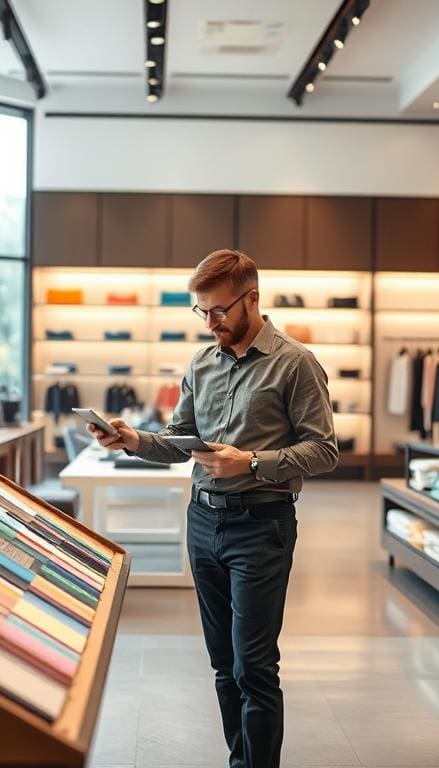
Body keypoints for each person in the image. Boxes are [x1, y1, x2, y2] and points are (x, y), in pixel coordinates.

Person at [89, 249, 337, 768]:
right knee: (223, 666)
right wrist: (133, 439)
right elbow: (180, 440)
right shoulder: (202, 363)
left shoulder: (295, 363)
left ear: (252, 298)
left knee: (254, 668)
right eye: (201, 311)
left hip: (261, 526)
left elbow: (325, 450)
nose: (210, 322)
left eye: (219, 310)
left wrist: (250, 461)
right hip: (203, 522)